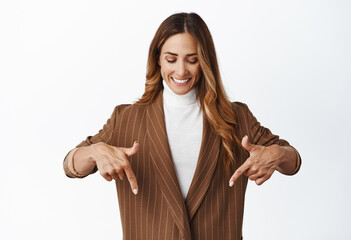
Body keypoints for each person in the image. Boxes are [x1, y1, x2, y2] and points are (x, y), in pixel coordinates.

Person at [63, 12, 301, 240]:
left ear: (206, 62)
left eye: (192, 60)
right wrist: (95, 152)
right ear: (157, 59)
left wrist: (278, 154)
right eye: (171, 59)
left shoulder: (236, 117)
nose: (180, 70)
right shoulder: (126, 118)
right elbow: (70, 164)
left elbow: (293, 162)